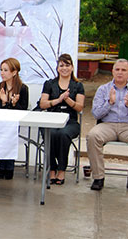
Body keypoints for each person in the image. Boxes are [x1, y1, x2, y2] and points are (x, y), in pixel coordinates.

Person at [87, 59, 128, 194]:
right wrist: (109, 102)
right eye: (117, 70)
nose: (120, 73)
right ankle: (98, 177)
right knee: (92, 136)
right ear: (112, 71)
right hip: (107, 124)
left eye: (123, 70)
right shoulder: (103, 89)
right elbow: (96, 113)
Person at [38, 53, 84, 185]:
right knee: (50, 133)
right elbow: (43, 104)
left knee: (63, 134)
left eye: (67, 65)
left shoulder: (78, 86)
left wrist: (68, 100)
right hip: (51, 119)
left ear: (72, 67)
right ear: (57, 68)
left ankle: (61, 169)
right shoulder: (49, 84)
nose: (64, 68)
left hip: (70, 121)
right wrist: (58, 100)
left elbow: (79, 107)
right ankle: (52, 168)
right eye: (61, 65)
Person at [0, 58, 29, 180]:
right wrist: (3, 102)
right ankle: (3, 166)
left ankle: (8, 167)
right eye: (1, 70)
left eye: (5, 70)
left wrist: (12, 104)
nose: (2, 73)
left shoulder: (22, 88)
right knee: (3, 136)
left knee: (10, 136)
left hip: (16, 123)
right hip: (0, 121)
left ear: (14, 72)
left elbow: (23, 109)